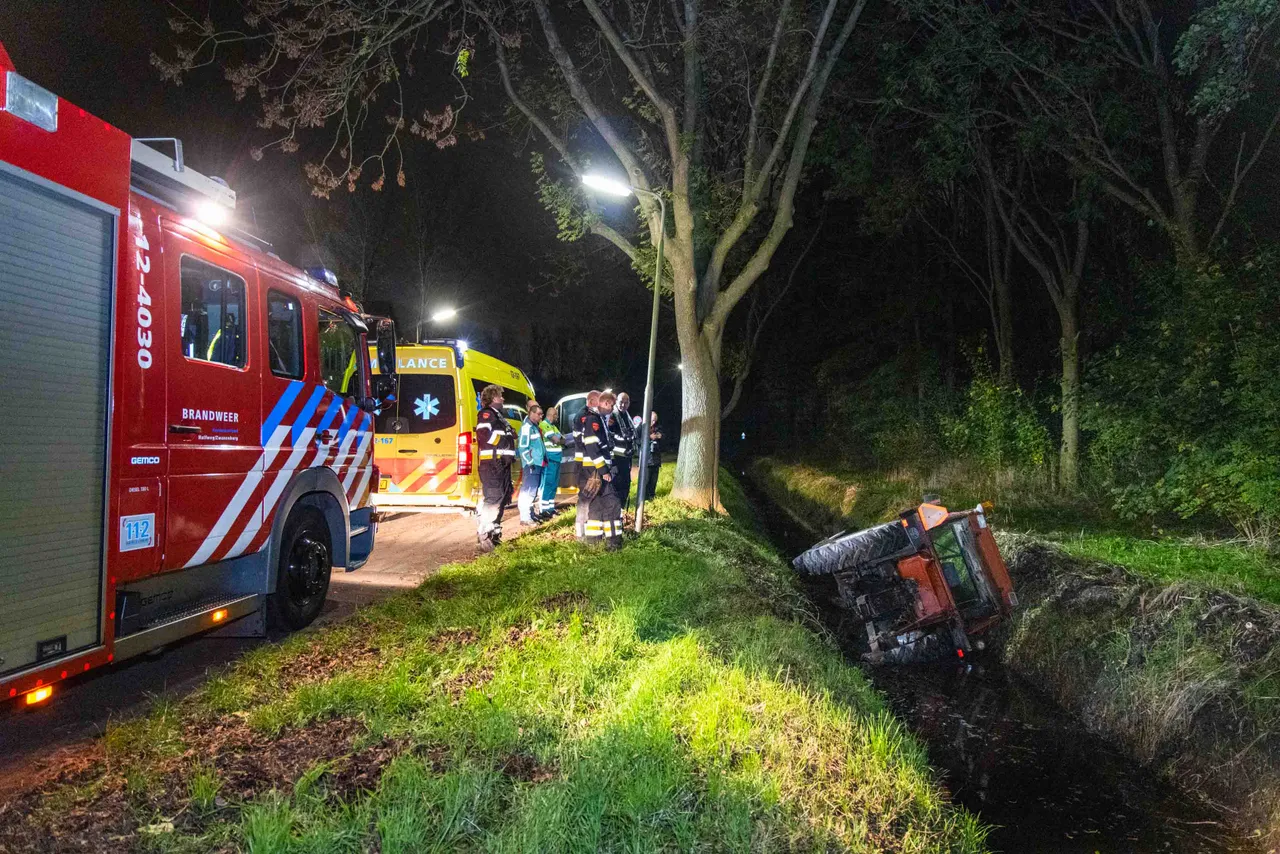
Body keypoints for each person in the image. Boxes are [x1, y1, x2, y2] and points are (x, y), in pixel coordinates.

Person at [475, 383, 516, 551]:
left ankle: (495, 535)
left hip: (501, 465)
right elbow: (483, 434)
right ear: (492, 399)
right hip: (492, 464)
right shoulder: (486, 414)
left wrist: (510, 434)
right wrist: (505, 443)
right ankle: (485, 536)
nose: (503, 399)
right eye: (500, 396)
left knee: (503, 497)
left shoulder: (499, 416)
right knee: (493, 499)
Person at [586, 391, 624, 550]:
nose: (613, 408)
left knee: (597, 504)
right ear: (606, 403)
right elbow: (593, 448)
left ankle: (593, 541)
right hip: (597, 471)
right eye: (612, 405)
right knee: (613, 504)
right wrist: (604, 471)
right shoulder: (594, 421)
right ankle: (613, 543)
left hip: (596, 470)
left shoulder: (598, 420)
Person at [575, 390, 605, 540]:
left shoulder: (588, 415)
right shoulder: (584, 416)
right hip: (586, 465)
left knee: (589, 499)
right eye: (600, 400)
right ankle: (581, 534)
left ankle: (585, 532)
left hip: (588, 462)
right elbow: (585, 443)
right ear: (593, 401)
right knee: (585, 499)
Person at [517, 403, 547, 526]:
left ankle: (530, 515)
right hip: (532, 464)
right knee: (527, 491)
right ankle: (525, 517)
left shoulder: (534, 427)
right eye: (539, 414)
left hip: (538, 463)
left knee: (533, 491)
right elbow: (523, 447)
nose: (541, 417)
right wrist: (529, 463)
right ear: (532, 413)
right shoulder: (527, 428)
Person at [608, 392, 637, 512]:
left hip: (626, 458)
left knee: (625, 484)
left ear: (629, 403)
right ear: (616, 402)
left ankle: (622, 510)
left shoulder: (627, 416)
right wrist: (625, 440)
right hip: (616, 459)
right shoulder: (612, 416)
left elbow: (631, 433)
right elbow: (611, 436)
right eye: (621, 402)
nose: (623, 405)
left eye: (626, 403)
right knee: (617, 486)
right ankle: (615, 511)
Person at [539, 405, 565, 518]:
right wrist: (558, 438)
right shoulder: (544, 425)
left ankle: (550, 507)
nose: (557, 418)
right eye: (556, 415)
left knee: (554, 484)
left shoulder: (553, 427)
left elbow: (562, 440)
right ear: (552, 415)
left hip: (557, 458)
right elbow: (556, 439)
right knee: (548, 483)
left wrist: (559, 438)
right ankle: (544, 510)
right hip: (550, 458)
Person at [643, 411, 662, 500]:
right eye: (652, 420)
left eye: (655, 420)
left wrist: (659, 436)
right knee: (646, 479)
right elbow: (639, 439)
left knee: (654, 480)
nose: (653, 422)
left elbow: (663, 436)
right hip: (647, 459)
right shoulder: (643, 428)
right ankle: (644, 496)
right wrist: (649, 437)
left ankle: (651, 495)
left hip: (656, 459)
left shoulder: (658, 428)